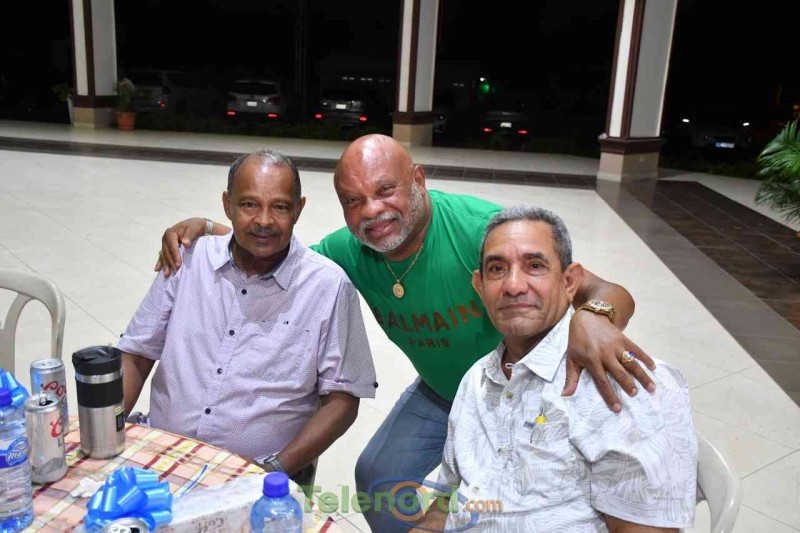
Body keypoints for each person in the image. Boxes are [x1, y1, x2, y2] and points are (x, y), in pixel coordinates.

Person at [155, 134, 657, 532]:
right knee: (378, 478)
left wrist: (593, 316)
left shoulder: (480, 230)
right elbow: (282, 249)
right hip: (443, 392)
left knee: (509, 494)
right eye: (354, 201)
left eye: (385, 191)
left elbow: (607, 290)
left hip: (523, 393)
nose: (372, 211)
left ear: (418, 179)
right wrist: (208, 227)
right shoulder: (349, 251)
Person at [411, 205, 697, 532]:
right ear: (479, 286)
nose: (513, 285)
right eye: (497, 269)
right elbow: (448, 501)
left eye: (535, 266)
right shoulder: (477, 380)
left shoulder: (622, 382)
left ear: (570, 281)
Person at [120, 148, 377, 489]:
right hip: (162, 459)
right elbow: (137, 353)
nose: (264, 221)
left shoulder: (328, 287)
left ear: (298, 209)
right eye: (249, 204)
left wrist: (273, 469)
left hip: (259, 479)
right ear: (227, 205)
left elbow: (343, 400)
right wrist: (107, 432)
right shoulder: (188, 260)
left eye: (280, 207)